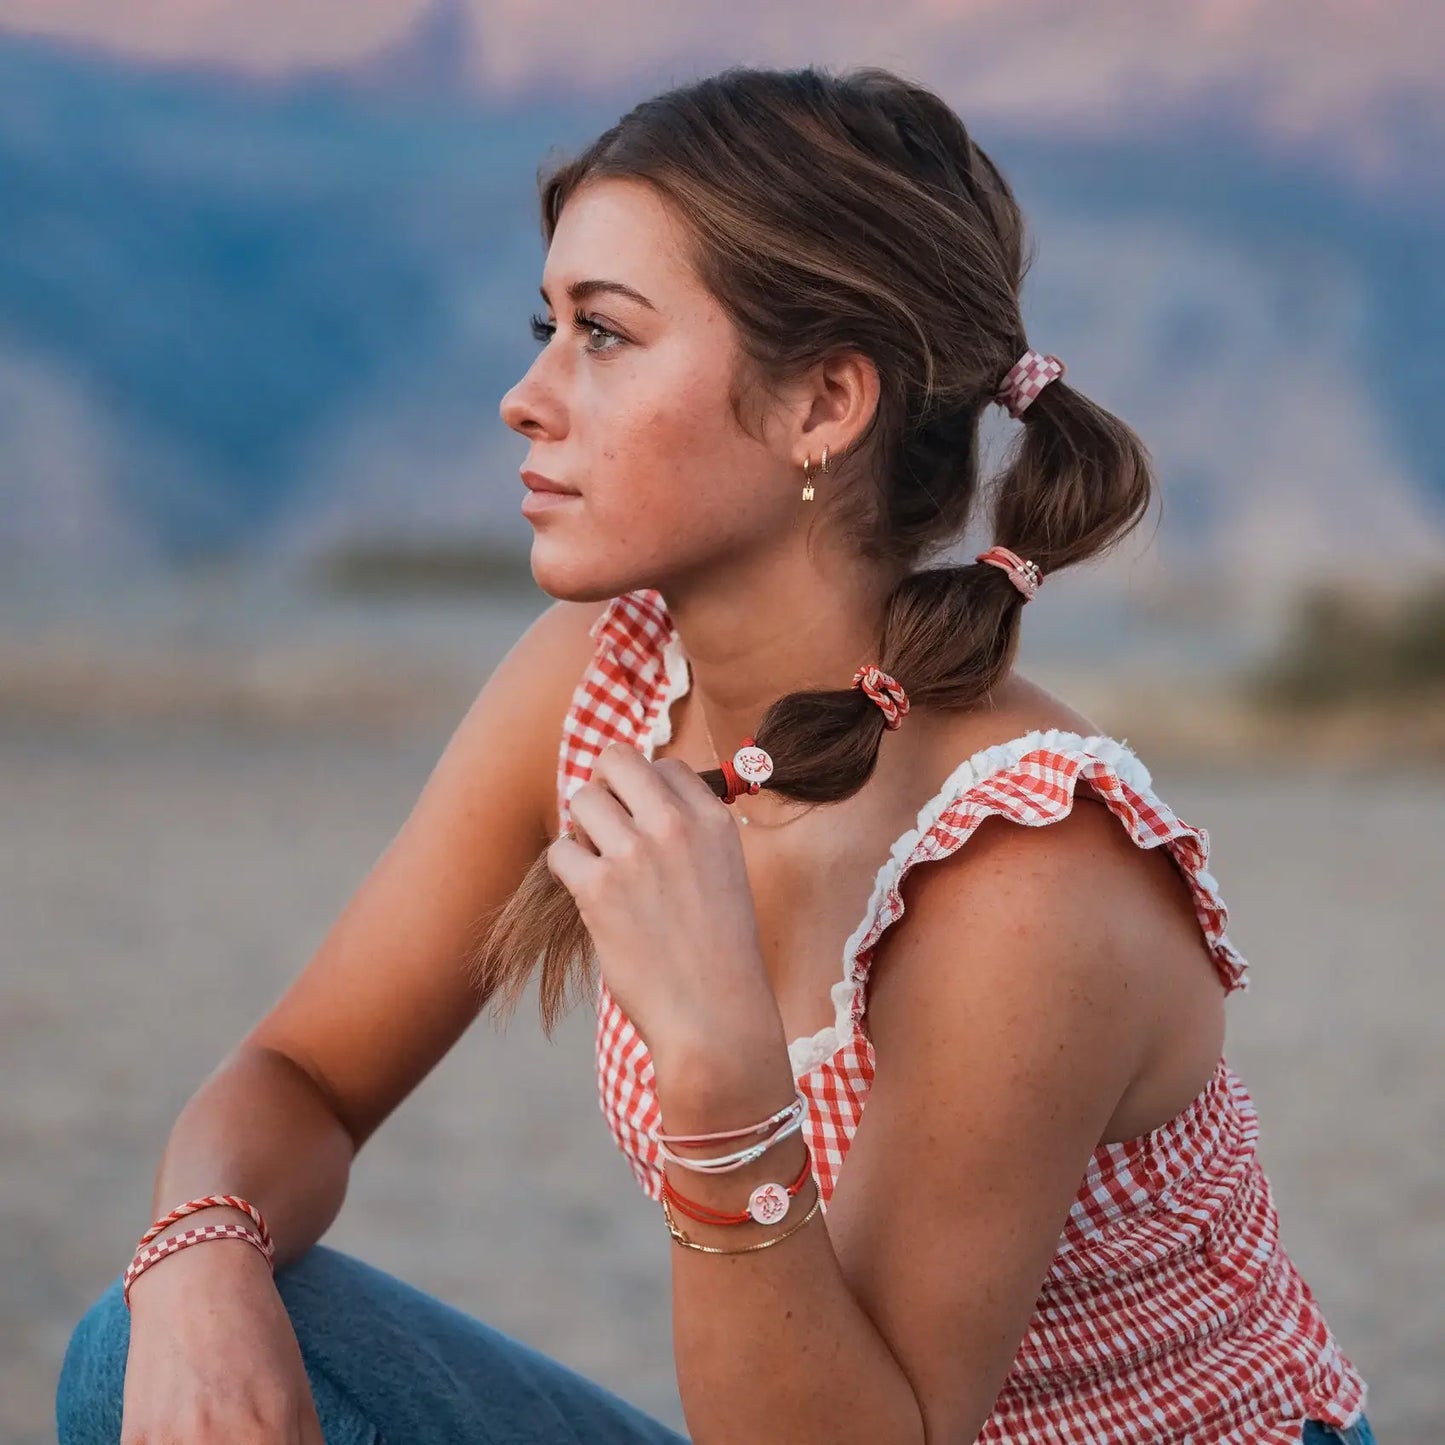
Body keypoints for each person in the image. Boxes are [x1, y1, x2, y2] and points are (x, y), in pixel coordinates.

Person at [57, 65, 1372, 1444]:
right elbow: (301, 1079)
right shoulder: (602, 683)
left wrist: (721, 1073)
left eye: (604, 334)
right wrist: (203, 1257)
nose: (524, 397)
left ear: (824, 404)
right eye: (547, 326)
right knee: (139, 1343)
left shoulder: (1025, 867)